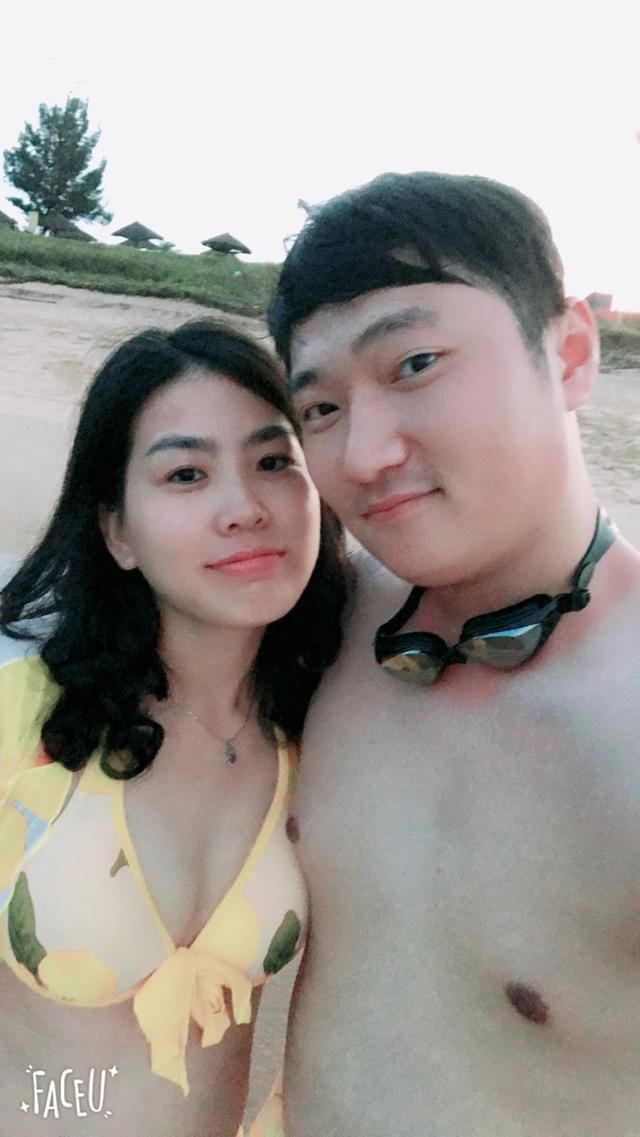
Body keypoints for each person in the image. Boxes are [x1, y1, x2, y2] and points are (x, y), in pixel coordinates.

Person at [257, 171, 640, 1137]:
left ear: (570, 353)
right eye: (320, 409)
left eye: (416, 363)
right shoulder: (322, 622)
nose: (363, 456)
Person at [0, 319, 351, 1137]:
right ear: (119, 531)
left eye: (275, 462)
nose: (245, 508)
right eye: (186, 473)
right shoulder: (25, 715)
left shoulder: (330, 732)